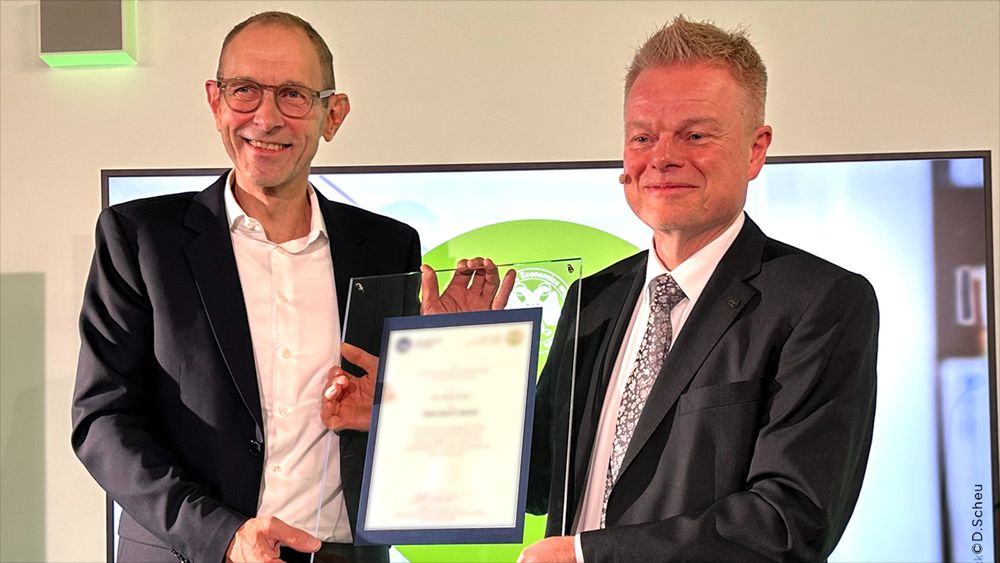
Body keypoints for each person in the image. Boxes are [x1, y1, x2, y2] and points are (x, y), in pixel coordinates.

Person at [71, 11, 509, 563]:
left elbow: (405, 432)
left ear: (334, 114)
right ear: (215, 101)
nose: (266, 117)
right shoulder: (139, 239)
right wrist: (224, 536)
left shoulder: (386, 246)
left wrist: (445, 362)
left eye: (294, 95)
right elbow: (101, 422)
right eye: (245, 91)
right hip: (191, 552)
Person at [518, 16, 879, 562]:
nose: (662, 157)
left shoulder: (820, 303)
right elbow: (537, 480)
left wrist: (590, 556)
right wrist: (426, 389)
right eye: (643, 137)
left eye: (695, 135)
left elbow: (789, 523)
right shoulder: (593, 299)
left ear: (756, 150)